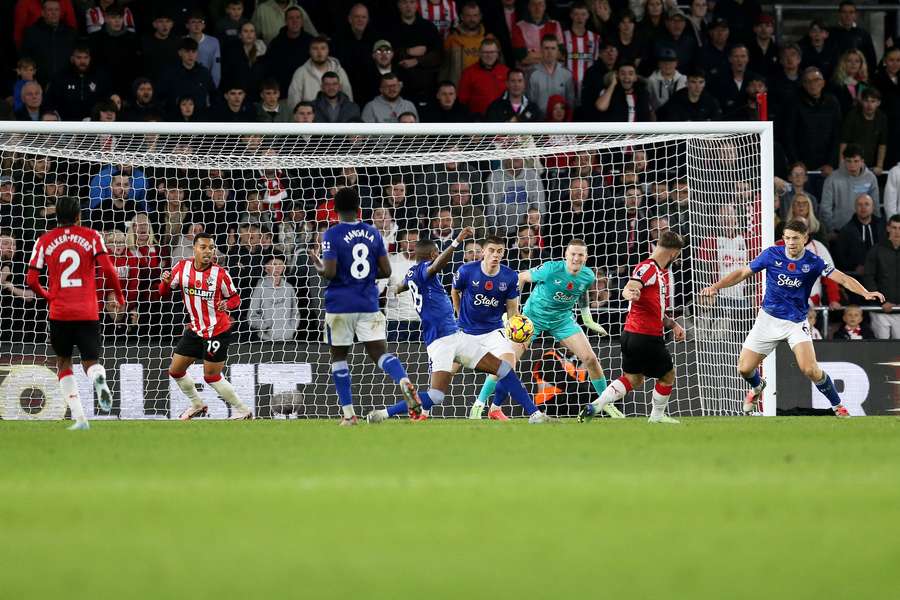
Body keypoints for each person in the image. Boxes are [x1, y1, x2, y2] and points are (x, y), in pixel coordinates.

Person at [700, 219, 885, 417]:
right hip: (767, 320)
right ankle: (757, 386)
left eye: (795, 238)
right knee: (744, 369)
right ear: (783, 239)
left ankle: (838, 406)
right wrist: (716, 287)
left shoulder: (814, 262)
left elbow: (842, 278)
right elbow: (742, 272)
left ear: (805, 238)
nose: (791, 242)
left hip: (795, 323)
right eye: (787, 238)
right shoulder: (771, 255)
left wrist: (865, 292)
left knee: (810, 369)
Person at [367, 228, 552, 423]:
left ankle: (535, 414)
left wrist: (394, 289)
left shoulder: (412, 273)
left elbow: (403, 284)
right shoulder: (426, 270)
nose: (438, 256)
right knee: (436, 395)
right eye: (436, 253)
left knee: (504, 369)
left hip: (457, 336)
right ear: (432, 255)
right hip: (441, 341)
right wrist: (456, 241)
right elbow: (436, 266)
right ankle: (383, 414)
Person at [307, 187, 419, 425]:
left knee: (339, 357)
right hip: (368, 302)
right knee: (380, 353)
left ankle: (349, 415)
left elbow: (330, 273)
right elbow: (387, 271)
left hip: (340, 304)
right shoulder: (373, 232)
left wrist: (317, 264)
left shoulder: (331, 234)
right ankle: (402, 379)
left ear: (335, 209)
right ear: (360, 209)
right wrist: (364, 278)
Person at [25, 197, 125, 430]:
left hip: (60, 312)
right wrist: (118, 296)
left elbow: (31, 279)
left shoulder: (44, 240)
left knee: (63, 363)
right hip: (87, 311)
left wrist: (48, 295)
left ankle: (80, 418)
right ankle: (98, 378)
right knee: (91, 361)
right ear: (79, 215)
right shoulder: (92, 236)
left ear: (56, 216)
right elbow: (109, 270)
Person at [579, 231, 686, 423]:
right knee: (668, 374)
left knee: (633, 379)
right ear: (673, 253)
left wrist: (672, 324)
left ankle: (597, 404)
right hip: (646, 335)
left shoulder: (655, 271)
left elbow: (655, 310)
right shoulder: (649, 268)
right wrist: (629, 293)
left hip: (631, 335)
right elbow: (630, 286)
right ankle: (657, 416)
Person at [506, 239, 615, 416]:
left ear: (586, 257)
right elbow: (520, 277)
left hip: (562, 320)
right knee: (507, 363)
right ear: (566, 255)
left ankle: (605, 401)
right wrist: (515, 311)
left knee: (590, 358)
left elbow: (581, 293)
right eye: (573, 254)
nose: (576, 258)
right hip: (534, 318)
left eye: (580, 255)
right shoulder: (551, 269)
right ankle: (481, 404)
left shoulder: (588, 276)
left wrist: (587, 319)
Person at [158, 232, 253, 420]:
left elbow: (235, 298)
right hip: (195, 329)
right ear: (194, 249)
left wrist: (227, 304)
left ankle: (243, 410)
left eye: (211, 248)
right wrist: (166, 282)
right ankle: (197, 404)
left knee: (211, 376)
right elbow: (163, 292)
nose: (208, 251)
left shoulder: (220, 273)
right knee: (175, 371)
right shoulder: (182, 267)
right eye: (203, 247)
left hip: (217, 331)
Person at [451, 235, 520, 419]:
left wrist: (516, 331)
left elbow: (513, 310)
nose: (495, 255)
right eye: (491, 250)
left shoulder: (510, 276)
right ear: (483, 252)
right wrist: (459, 315)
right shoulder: (466, 271)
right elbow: (454, 291)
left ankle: (492, 407)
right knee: (445, 372)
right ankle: (423, 410)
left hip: (493, 330)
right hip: (465, 331)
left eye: (499, 251)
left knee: (509, 364)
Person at [864, 215, 900, 339]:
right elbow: (868, 277)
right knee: (880, 349)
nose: (897, 232)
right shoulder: (877, 250)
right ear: (888, 228)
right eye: (894, 228)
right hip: (880, 311)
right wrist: (882, 302)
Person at [249, 255, 298, 341]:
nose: (278, 267)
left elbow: (295, 313)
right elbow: (252, 316)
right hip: (266, 340)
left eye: (280, 264)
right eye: (274, 264)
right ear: (267, 267)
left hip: (288, 339)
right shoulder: (260, 287)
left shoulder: (289, 287)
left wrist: (291, 330)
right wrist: (266, 327)